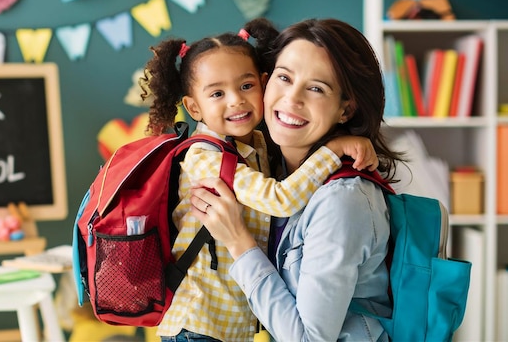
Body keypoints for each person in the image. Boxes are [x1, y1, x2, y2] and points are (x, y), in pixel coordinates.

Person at [140, 28, 380, 342]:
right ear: (194, 108)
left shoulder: (255, 145)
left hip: (228, 328)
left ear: (261, 84)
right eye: (217, 94)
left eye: (246, 85)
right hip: (198, 324)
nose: (237, 100)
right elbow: (279, 200)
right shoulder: (204, 155)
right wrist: (333, 151)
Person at [190, 18, 405, 342]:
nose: (292, 98)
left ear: (345, 109)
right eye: (285, 78)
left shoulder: (342, 202)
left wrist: (238, 241)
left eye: (316, 88)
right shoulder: (268, 170)